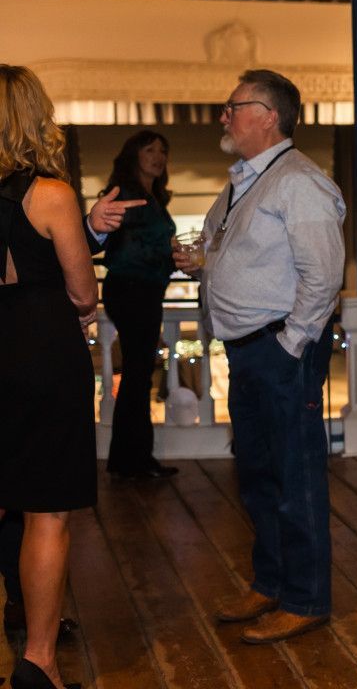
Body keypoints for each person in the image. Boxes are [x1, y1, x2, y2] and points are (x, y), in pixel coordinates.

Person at [178, 69, 345, 644]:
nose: (223, 115)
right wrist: (205, 266)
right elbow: (246, 256)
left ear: (269, 116)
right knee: (257, 475)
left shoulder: (299, 182)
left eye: (234, 106)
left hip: (279, 351)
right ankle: (271, 582)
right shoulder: (243, 182)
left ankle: (306, 599)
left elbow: (323, 276)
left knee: (295, 476)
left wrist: (290, 344)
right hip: (246, 351)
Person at [0, 64, 100, 689]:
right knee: (46, 512)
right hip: (40, 352)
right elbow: (84, 293)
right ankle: (39, 663)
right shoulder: (51, 195)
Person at [97, 130, 180, 479]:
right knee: (137, 374)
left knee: (138, 374)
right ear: (134, 155)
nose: (158, 156)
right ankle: (135, 460)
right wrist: (172, 256)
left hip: (143, 290)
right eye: (150, 150)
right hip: (132, 290)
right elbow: (128, 250)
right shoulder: (127, 196)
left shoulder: (152, 197)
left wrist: (175, 256)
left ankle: (128, 460)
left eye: (163, 150)